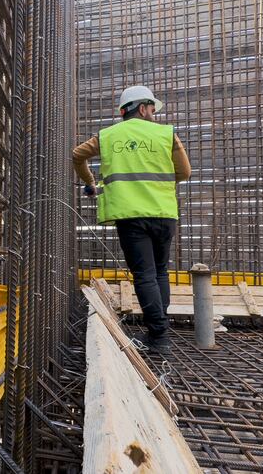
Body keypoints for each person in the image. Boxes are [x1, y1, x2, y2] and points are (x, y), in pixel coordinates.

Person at [73, 85, 191, 352]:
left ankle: (159, 336)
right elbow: (184, 172)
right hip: (163, 213)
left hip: (130, 216)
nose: (153, 114)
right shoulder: (166, 134)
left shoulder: (107, 136)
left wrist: (91, 183)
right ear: (142, 108)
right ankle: (160, 330)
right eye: (152, 109)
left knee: (145, 274)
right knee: (160, 271)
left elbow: (77, 155)